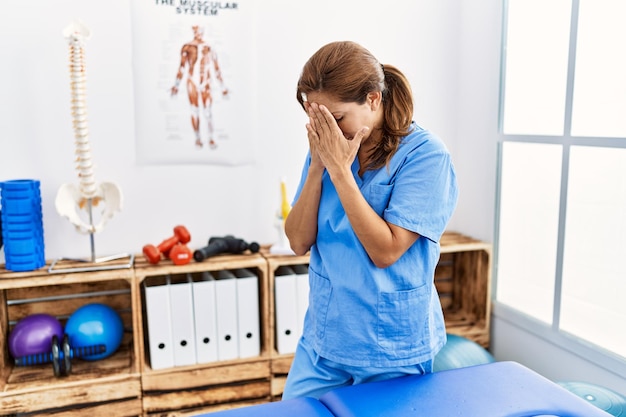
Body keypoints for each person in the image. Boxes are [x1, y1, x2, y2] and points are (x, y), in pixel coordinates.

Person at [282, 41, 458, 400]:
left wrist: (340, 171)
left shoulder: (426, 156)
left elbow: (386, 251)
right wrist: (318, 166)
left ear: (373, 99)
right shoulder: (328, 148)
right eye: (316, 119)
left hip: (391, 346)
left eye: (336, 118)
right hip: (325, 338)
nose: (326, 129)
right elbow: (298, 241)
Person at [171, 25, 228, 149]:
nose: (198, 33)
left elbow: (216, 67)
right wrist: (176, 85)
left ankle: (211, 138)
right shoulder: (187, 47)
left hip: (205, 82)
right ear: (193, 31)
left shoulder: (209, 47)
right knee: (194, 111)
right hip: (192, 82)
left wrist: (222, 87)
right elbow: (182, 67)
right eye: (196, 31)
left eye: (200, 30)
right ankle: (197, 138)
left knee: (208, 112)